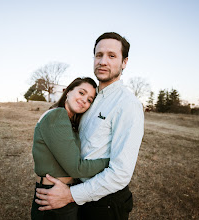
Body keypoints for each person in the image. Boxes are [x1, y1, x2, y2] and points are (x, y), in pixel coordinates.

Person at [35, 32, 144, 220]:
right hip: (79, 194)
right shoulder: (91, 101)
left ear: (124, 62)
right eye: (98, 55)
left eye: (112, 56)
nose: (103, 61)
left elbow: (120, 174)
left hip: (104, 204)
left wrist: (71, 195)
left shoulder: (127, 104)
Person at [31, 77, 110, 220]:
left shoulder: (67, 121)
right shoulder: (57, 115)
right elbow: (76, 168)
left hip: (62, 193)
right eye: (81, 92)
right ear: (68, 92)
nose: (84, 100)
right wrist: (109, 162)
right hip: (54, 196)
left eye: (90, 99)